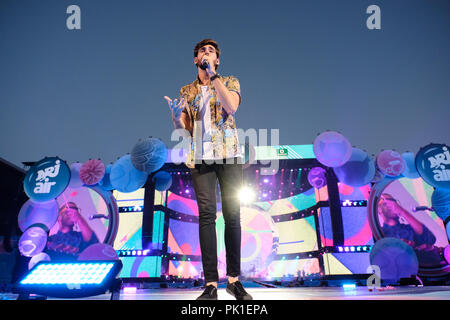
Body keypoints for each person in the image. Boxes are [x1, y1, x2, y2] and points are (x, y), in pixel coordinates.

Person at [164, 39, 252, 300]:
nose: (206, 53)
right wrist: (176, 118)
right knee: (206, 217)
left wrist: (214, 77)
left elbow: (231, 107)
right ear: (195, 59)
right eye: (202, 51)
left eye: (211, 51)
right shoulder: (186, 90)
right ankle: (211, 284)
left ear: (217, 60)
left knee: (233, 215)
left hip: (229, 155)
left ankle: (234, 281)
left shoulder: (230, 82)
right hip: (201, 157)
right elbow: (185, 131)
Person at [378, 193, 443, 266]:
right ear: (379, 210)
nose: (392, 205)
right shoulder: (381, 233)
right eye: (386, 203)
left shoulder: (409, 228)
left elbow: (430, 239)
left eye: (393, 202)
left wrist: (402, 211)